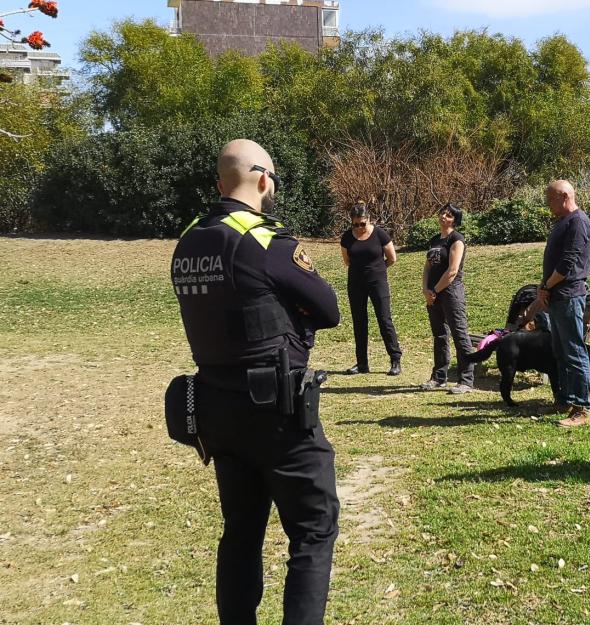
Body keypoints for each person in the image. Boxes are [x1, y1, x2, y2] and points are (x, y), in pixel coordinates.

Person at [170, 139, 341, 625]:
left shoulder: (189, 240)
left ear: (219, 183)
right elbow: (327, 309)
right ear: (264, 179)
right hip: (275, 411)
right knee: (313, 528)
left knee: (241, 532)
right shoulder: (265, 240)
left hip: (216, 410)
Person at [528, 180, 590, 427]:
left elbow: (568, 265)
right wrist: (542, 285)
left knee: (574, 350)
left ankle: (582, 408)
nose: (548, 205)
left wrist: (547, 285)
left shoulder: (578, 222)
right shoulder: (564, 223)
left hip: (568, 295)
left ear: (565, 196)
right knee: (562, 350)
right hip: (556, 296)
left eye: (551, 199)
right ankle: (566, 398)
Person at [339, 201, 402, 376]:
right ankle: (362, 363)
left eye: (362, 224)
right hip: (356, 283)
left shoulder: (380, 234)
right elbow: (347, 261)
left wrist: (378, 270)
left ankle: (395, 359)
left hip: (377, 283)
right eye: (355, 224)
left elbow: (392, 258)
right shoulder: (346, 237)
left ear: (369, 219)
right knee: (359, 322)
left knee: (384, 319)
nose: (359, 227)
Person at [420, 203, 476, 394]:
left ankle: (466, 380)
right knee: (440, 336)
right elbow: (428, 266)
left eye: (449, 215)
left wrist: (435, 290)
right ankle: (439, 377)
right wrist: (425, 289)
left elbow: (452, 271)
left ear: (455, 220)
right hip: (433, 294)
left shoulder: (456, 239)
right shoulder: (435, 240)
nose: (444, 217)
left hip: (451, 293)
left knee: (460, 335)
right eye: (442, 213)